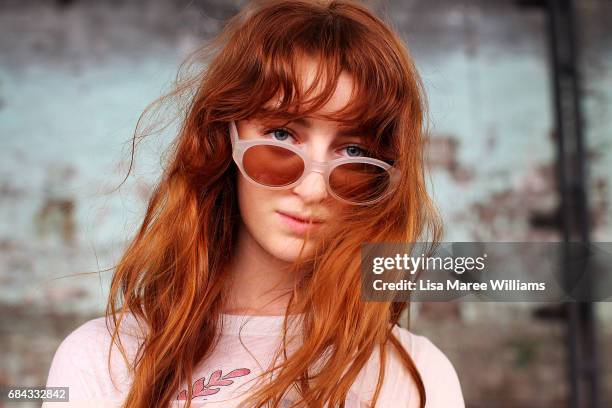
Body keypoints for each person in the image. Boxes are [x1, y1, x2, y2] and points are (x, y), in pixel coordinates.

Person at [43, 0, 464, 407]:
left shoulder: (418, 378)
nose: (313, 189)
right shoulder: (100, 360)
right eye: (282, 135)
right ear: (224, 137)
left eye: (353, 150)